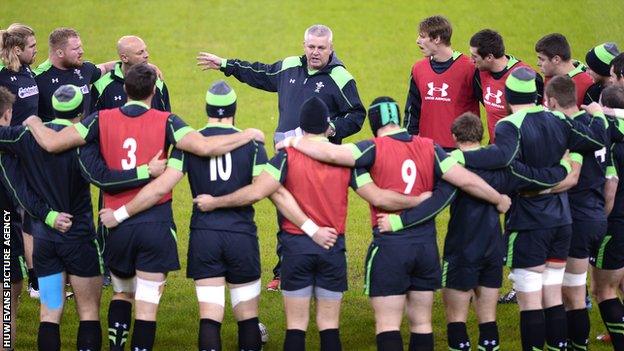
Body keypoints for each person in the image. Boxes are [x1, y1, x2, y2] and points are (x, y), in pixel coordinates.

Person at [22, 64, 264, 351]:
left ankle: (116, 347)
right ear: (153, 91)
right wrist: (246, 134)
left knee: (122, 293)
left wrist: (34, 122)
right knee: (147, 306)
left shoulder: (100, 118)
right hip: (155, 224)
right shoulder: (168, 121)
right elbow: (206, 147)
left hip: (115, 223)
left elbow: (52, 143)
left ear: (124, 89)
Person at [99, 80, 267, 350]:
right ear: (235, 107)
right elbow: (258, 191)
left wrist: (120, 213)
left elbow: (161, 188)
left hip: (205, 237)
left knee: (209, 318)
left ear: (207, 108)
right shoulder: (254, 144)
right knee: (247, 318)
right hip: (241, 236)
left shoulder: (187, 144)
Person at [198, 24, 366, 290]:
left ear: (331, 48)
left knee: (322, 212)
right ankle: (283, 273)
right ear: (304, 45)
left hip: (321, 158)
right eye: (311, 46)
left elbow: (357, 115)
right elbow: (260, 72)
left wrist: (332, 128)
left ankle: (324, 271)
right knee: (286, 213)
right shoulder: (289, 66)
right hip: (288, 156)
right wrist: (225, 64)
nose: (315, 52)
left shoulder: (341, 78)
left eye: (321, 48)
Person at [451, 67, 607, 351]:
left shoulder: (509, 125)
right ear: (537, 95)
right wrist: (596, 116)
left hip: (529, 223)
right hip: (561, 222)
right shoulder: (558, 118)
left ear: (509, 98)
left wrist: (459, 156)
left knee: (530, 299)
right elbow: (596, 139)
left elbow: (508, 164)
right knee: (553, 295)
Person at [0, 86, 75, 350]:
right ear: (8, 113)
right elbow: (20, 195)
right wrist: (49, 215)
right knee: (6, 302)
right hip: (6, 231)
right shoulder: (7, 152)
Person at [543, 76, 611, 350]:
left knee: (568, 293)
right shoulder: (594, 125)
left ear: (554, 102)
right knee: (574, 289)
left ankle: (572, 346)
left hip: (577, 218)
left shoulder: (570, 131)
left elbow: (569, 175)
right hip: (595, 215)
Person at [0, 23, 41, 300]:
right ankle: (15, 277)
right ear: (17, 49)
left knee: (29, 214)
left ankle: (33, 278)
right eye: (32, 47)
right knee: (11, 216)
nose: (37, 51)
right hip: (9, 153)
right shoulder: (3, 78)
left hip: (28, 153)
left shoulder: (30, 72)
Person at [404, 15, 480, 149]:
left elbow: (493, 108)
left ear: (437, 39)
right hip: (427, 151)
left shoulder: (470, 68)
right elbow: (412, 112)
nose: (417, 41)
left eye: (422, 36)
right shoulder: (418, 69)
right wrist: (409, 145)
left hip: (461, 152)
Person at [590, 85, 624, 350]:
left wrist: (599, 223)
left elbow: (609, 186)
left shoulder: (608, 137)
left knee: (603, 291)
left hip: (614, 222)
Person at [469, 29, 544, 143]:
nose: (471, 60)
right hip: (496, 147)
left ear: (489, 57)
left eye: (475, 56)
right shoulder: (479, 73)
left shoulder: (527, 77)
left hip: (522, 150)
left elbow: (539, 117)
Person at [33, 27, 119, 121]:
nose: (81, 51)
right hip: (56, 134)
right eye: (76, 49)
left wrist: (131, 61)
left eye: (80, 47)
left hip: (85, 134)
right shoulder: (37, 78)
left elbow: (105, 67)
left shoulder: (84, 69)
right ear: (60, 53)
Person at [90, 35, 170, 112]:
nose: (146, 55)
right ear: (124, 58)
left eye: (145, 50)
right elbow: (92, 121)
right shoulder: (101, 85)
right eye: (140, 53)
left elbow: (166, 119)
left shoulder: (156, 82)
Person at [535, 33, 597, 106]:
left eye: (542, 59)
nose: (538, 63)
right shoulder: (550, 75)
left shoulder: (587, 85)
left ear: (556, 59)